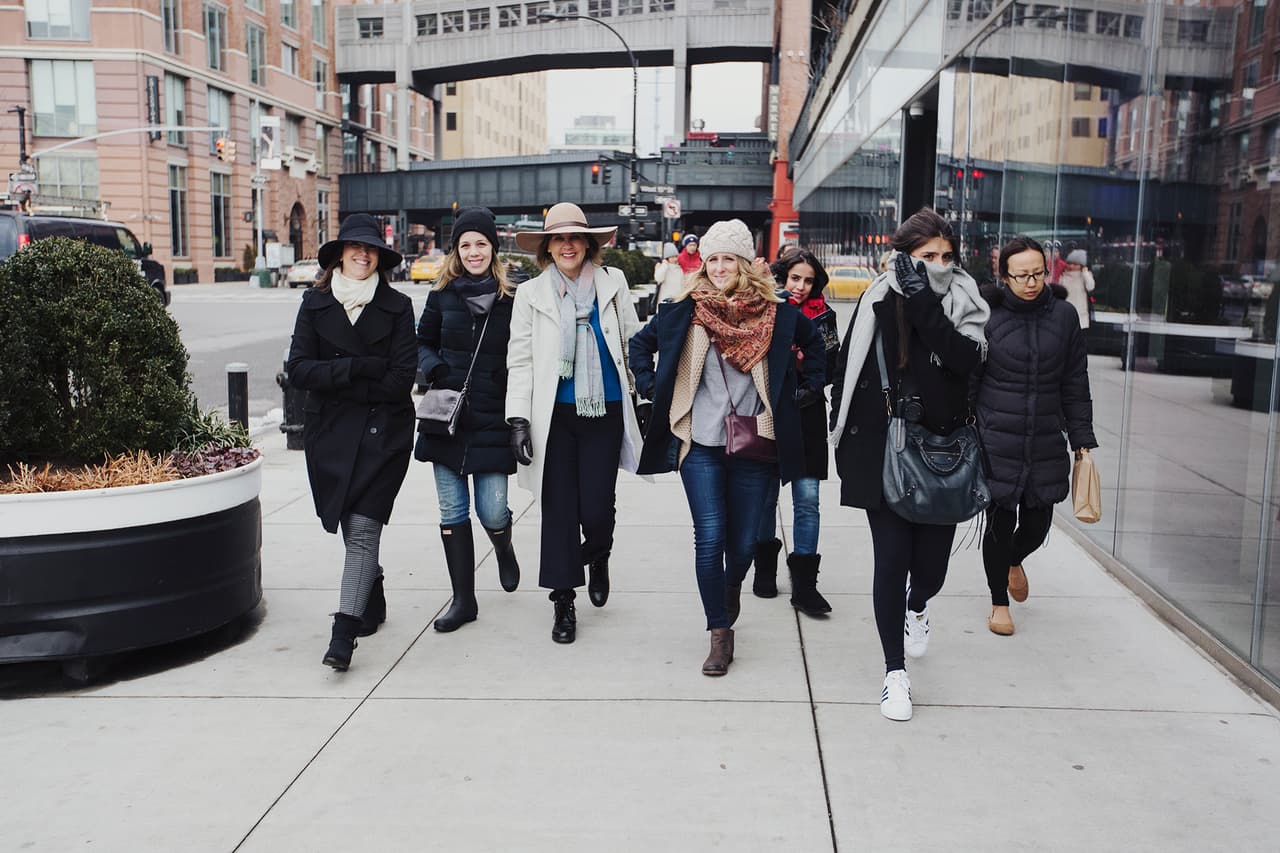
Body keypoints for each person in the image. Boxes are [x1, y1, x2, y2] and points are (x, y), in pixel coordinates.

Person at [630, 219, 825, 677]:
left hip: (757, 439)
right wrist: (650, 386)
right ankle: (719, 632)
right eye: (712, 258)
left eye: (728, 259)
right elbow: (639, 346)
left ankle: (730, 585)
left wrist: (806, 390)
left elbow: (816, 349)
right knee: (709, 536)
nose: (719, 267)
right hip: (699, 442)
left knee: (742, 544)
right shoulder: (684, 309)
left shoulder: (777, 315)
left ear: (743, 263)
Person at [828, 208, 989, 721]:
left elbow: (962, 362)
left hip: (940, 451)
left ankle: (918, 607)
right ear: (905, 258)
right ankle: (894, 674)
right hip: (880, 447)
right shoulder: (878, 298)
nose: (939, 266)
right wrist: (841, 440)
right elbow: (846, 370)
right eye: (926, 258)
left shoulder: (966, 304)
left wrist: (924, 304)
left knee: (931, 572)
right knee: (890, 560)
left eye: (946, 257)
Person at [506, 202, 645, 644]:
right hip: (554, 416)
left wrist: (646, 392)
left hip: (604, 409)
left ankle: (598, 554)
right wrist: (519, 419)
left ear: (588, 243)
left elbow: (632, 340)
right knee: (559, 511)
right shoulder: (530, 294)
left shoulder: (613, 283)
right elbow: (521, 361)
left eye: (574, 237)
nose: (567, 245)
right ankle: (563, 602)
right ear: (548, 247)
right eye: (558, 238)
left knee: (597, 507)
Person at [286, 213, 417, 671]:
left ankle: (343, 634)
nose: (363, 255)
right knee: (351, 526)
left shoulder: (398, 307)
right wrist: (359, 368)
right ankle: (372, 595)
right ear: (339, 254)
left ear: (380, 256)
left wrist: (336, 379)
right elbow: (299, 371)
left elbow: (401, 381)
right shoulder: (314, 303)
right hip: (331, 435)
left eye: (371, 249)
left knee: (363, 530)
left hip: (386, 435)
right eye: (354, 247)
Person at [975, 236, 1097, 636]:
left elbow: (1075, 382)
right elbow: (969, 379)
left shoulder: (1063, 317)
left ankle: (1015, 559)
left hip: (1045, 436)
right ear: (1005, 276)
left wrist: (1081, 439)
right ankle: (998, 602)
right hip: (997, 438)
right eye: (1022, 275)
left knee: (1038, 523)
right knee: (998, 520)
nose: (1031, 282)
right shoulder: (986, 316)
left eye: (1038, 273)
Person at [414, 207, 521, 633]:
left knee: (492, 510)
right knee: (452, 508)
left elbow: (526, 354)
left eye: (480, 243)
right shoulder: (442, 295)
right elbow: (420, 343)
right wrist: (435, 367)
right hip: (447, 417)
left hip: (493, 416)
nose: (473, 252)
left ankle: (504, 544)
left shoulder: (513, 297)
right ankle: (464, 600)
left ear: (493, 248)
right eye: (465, 245)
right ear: (456, 251)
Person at [750, 250, 839, 617]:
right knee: (765, 495)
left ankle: (805, 584)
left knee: (807, 498)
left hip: (808, 412)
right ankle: (765, 569)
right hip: (770, 410)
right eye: (794, 279)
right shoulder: (764, 308)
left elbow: (831, 366)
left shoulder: (825, 317)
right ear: (782, 278)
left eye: (807, 280)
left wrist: (805, 368)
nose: (800, 287)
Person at [1060, 248, 1095, 330]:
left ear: (1081, 265)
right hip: (1065, 312)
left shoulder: (1085, 275)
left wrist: (1085, 273)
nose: (1071, 266)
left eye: (1075, 264)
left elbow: (1090, 286)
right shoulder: (1063, 275)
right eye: (1069, 263)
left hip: (1080, 313)